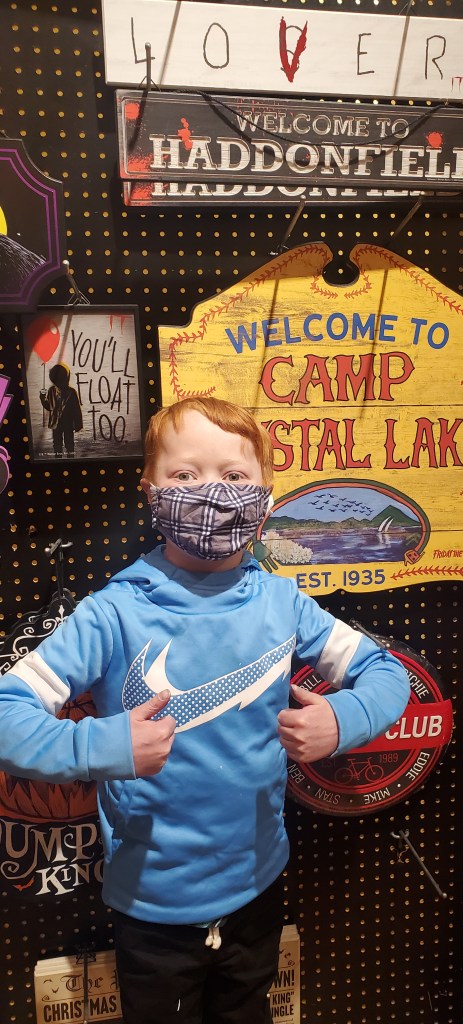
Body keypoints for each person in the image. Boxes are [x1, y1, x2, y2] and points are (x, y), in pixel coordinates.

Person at [0, 396, 410, 1024]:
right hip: (152, 908)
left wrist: (343, 720)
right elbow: (8, 712)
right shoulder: (112, 614)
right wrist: (103, 747)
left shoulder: (283, 604)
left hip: (258, 888)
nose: (211, 493)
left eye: (234, 475)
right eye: (185, 474)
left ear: (265, 495)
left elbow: (386, 673)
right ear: (150, 490)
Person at [39, 361, 83, 458]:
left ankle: (68, 460)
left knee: (68, 444)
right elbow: (50, 407)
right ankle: (60, 459)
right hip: (58, 423)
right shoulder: (52, 391)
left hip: (66, 423)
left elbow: (76, 409)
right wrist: (42, 398)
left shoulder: (70, 392)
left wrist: (78, 424)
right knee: (58, 444)